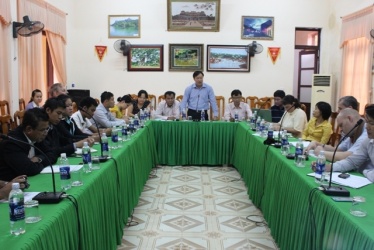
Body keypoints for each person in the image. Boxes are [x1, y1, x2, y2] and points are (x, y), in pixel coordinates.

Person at [311, 104, 374, 182]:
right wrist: (328, 167)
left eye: (371, 123)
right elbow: (352, 161)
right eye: (367, 122)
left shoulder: (364, 136)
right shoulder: (368, 140)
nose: (367, 126)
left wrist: (365, 172)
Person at [0, 108, 58, 181]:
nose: (45, 133)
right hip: (12, 186)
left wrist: (39, 159)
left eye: (47, 129)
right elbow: (29, 170)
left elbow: (53, 154)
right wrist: (41, 162)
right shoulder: (12, 143)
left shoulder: (37, 135)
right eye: (43, 130)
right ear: (29, 129)